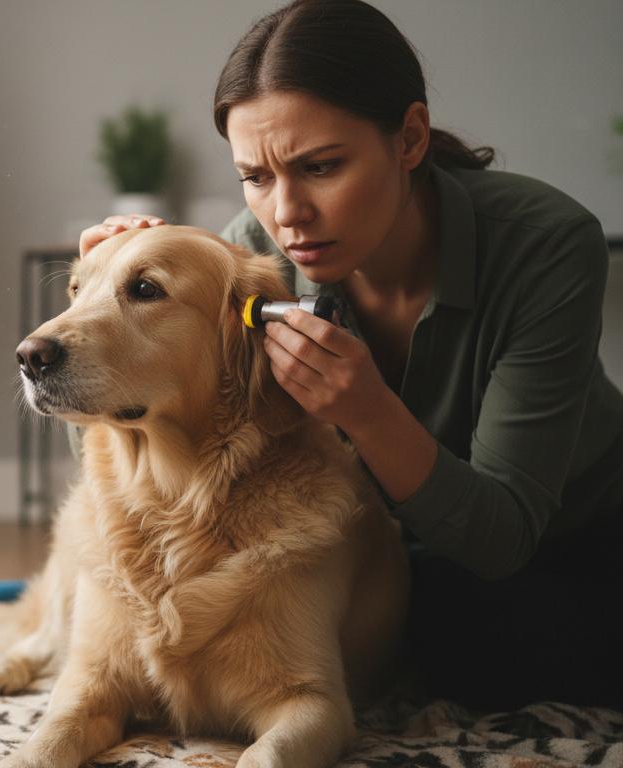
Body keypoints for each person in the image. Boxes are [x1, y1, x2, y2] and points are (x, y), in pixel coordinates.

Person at [78, 0, 623, 710]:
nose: (287, 213)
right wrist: (117, 286)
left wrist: (369, 415)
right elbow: (196, 420)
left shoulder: (547, 244)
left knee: (481, 648)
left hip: (572, 539)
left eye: (321, 166)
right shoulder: (257, 248)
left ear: (410, 138)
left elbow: (502, 537)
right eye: (257, 176)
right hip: (399, 558)